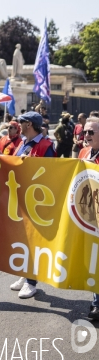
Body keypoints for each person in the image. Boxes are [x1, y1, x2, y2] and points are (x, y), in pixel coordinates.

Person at [10, 111, 55, 300]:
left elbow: (52, 172)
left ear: (29, 124)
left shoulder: (46, 145)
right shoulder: (22, 143)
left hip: (37, 200)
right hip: (20, 196)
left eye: (21, 123)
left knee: (33, 240)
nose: (19, 126)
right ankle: (25, 273)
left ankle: (32, 281)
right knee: (22, 238)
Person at [78, 116, 99, 320]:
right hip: (88, 214)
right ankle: (96, 304)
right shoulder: (84, 152)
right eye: (85, 132)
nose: (86, 135)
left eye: (91, 132)